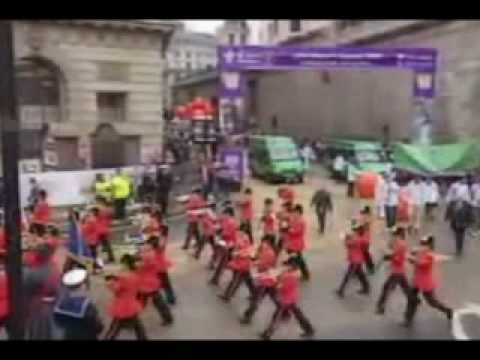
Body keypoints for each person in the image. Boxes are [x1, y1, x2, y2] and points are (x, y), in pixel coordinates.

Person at [259, 256, 315, 340]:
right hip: (292, 297)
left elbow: (279, 287)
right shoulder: (295, 273)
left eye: (289, 264)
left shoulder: (290, 276)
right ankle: (309, 329)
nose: (287, 266)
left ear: (293, 265)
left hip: (285, 299)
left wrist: (274, 279)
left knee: (276, 316)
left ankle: (267, 334)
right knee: (298, 314)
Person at [403, 235, 453, 327]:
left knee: (432, 302)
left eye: (424, 244)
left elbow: (421, 263)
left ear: (429, 246)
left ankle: (447, 310)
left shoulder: (430, 256)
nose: (422, 246)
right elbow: (413, 260)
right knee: (411, 299)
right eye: (421, 244)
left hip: (426, 283)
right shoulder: (419, 252)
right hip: (416, 281)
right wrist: (411, 254)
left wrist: (410, 257)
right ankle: (408, 319)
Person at [23, 243, 62, 340]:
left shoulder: (33, 272)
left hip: (37, 306)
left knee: (37, 331)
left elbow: (26, 292)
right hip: (52, 305)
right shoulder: (55, 269)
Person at [104, 254, 147, 340]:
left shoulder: (123, 277)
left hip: (122, 306)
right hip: (132, 303)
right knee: (137, 325)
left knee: (114, 328)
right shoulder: (135, 274)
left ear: (126, 264)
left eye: (122, 263)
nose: (120, 266)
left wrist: (109, 283)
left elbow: (116, 290)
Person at [53, 268, 104, 340]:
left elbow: (58, 322)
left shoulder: (60, 303)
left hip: (68, 336)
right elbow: (97, 327)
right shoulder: (87, 306)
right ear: (83, 285)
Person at [240, 235, 278, 325]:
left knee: (257, 299)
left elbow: (263, 265)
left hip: (265, 279)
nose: (262, 244)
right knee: (274, 298)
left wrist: (254, 264)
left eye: (264, 242)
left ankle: (248, 316)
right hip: (268, 279)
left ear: (268, 243)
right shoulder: (266, 251)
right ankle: (284, 311)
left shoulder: (269, 253)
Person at [136, 242, 174, 326]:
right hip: (151, 283)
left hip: (146, 284)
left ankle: (131, 319)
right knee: (158, 302)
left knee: (141, 302)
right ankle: (168, 318)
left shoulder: (146, 259)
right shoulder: (152, 256)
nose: (141, 252)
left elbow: (140, 267)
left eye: (142, 250)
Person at [375, 227, 411, 315]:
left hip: (397, 272)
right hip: (398, 271)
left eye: (394, 235)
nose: (392, 236)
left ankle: (381, 307)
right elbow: (390, 248)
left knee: (387, 288)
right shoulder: (397, 243)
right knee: (406, 289)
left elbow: (398, 259)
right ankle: (414, 300)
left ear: (398, 235)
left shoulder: (401, 245)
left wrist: (389, 256)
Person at [218, 229, 255, 302]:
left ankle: (227, 296)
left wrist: (238, 253)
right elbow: (234, 244)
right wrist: (228, 246)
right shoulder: (240, 237)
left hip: (242, 263)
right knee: (245, 280)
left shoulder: (246, 240)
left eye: (240, 231)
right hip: (240, 262)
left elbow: (248, 251)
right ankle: (229, 295)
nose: (238, 233)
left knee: (235, 280)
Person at [335, 222, 370, 298]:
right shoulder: (361, 238)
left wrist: (344, 238)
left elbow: (348, 244)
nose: (354, 231)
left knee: (348, 275)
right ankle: (366, 287)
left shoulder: (356, 239)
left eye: (355, 230)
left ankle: (341, 290)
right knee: (361, 275)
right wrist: (348, 236)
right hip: (358, 260)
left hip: (355, 261)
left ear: (358, 231)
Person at [210, 207, 238, 286]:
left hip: (229, 244)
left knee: (223, 262)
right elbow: (222, 227)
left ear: (228, 214)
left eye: (225, 214)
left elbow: (227, 233)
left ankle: (215, 279)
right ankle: (215, 279)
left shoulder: (231, 222)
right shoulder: (227, 221)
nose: (223, 216)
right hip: (226, 243)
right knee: (226, 262)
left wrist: (219, 232)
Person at [284, 204, 310, 281]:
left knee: (298, 259)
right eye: (293, 212)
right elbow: (289, 226)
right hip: (291, 243)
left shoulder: (302, 221)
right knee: (297, 258)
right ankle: (304, 273)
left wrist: (289, 230)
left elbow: (297, 231)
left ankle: (302, 273)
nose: (293, 213)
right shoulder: (293, 219)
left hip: (297, 243)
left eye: (295, 212)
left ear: (299, 212)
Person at [96, 197, 115, 264]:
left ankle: (110, 258)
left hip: (101, 228)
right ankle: (111, 257)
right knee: (105, 244)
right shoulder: (108, 209)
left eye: (97, 201)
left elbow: (97, 218)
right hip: (105, 228)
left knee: (102, 244)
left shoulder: (101, 209)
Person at [359, 207, 375, 275]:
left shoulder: (367, 220)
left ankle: (370, 266)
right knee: (364, 254)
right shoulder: (367, 218)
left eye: (365, 213)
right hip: (364, 239)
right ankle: (370, 266)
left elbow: (364, 228)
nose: (363, 214)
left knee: (364, 254)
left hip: (365, 239)